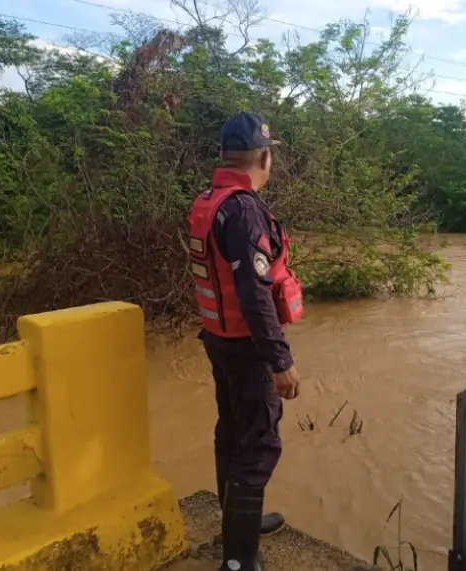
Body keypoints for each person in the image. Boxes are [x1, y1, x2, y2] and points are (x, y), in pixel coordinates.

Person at [188, 112, 305, 571]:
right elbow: (254, 294)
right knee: (257, 446)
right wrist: (280, 360)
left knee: (233, 432)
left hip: (219, 337)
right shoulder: (243, 210)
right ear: (264, 156)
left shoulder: (210, 200)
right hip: (246, 345)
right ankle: (238, 561)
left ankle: (239, 525)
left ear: (223, 156)